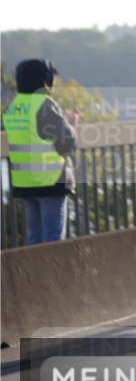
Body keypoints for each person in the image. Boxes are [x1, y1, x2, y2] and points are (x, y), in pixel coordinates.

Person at [3, 59, 78, 245]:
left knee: (34, 239)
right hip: (50, 180)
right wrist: (71, 123)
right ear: (45, 80)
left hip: (25, 182)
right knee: (53, 241)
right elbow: (67, 143)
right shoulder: (44, 104)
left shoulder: (15, 106)